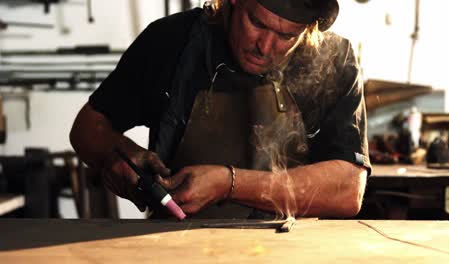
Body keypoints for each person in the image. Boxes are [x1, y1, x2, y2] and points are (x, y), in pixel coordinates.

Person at [70, 0, 371, 219]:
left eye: (286, 36)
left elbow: (348, 190)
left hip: (293, 250)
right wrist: (118, 152)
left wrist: (229, 184)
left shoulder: (334, 60)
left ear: (308, 30)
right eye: (257, 23)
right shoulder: (170, 41)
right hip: (176, 247)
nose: (264, 47)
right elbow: (87, 128)